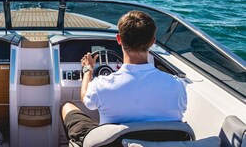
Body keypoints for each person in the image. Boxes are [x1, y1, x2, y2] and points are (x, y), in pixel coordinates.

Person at [61, 11, 187, 146]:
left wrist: (87, 70)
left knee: (66, 106)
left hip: (112, 143)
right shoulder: (177, 85)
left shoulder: (102, 85)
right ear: (152, 42)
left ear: (119, 39)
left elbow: (86, 99)